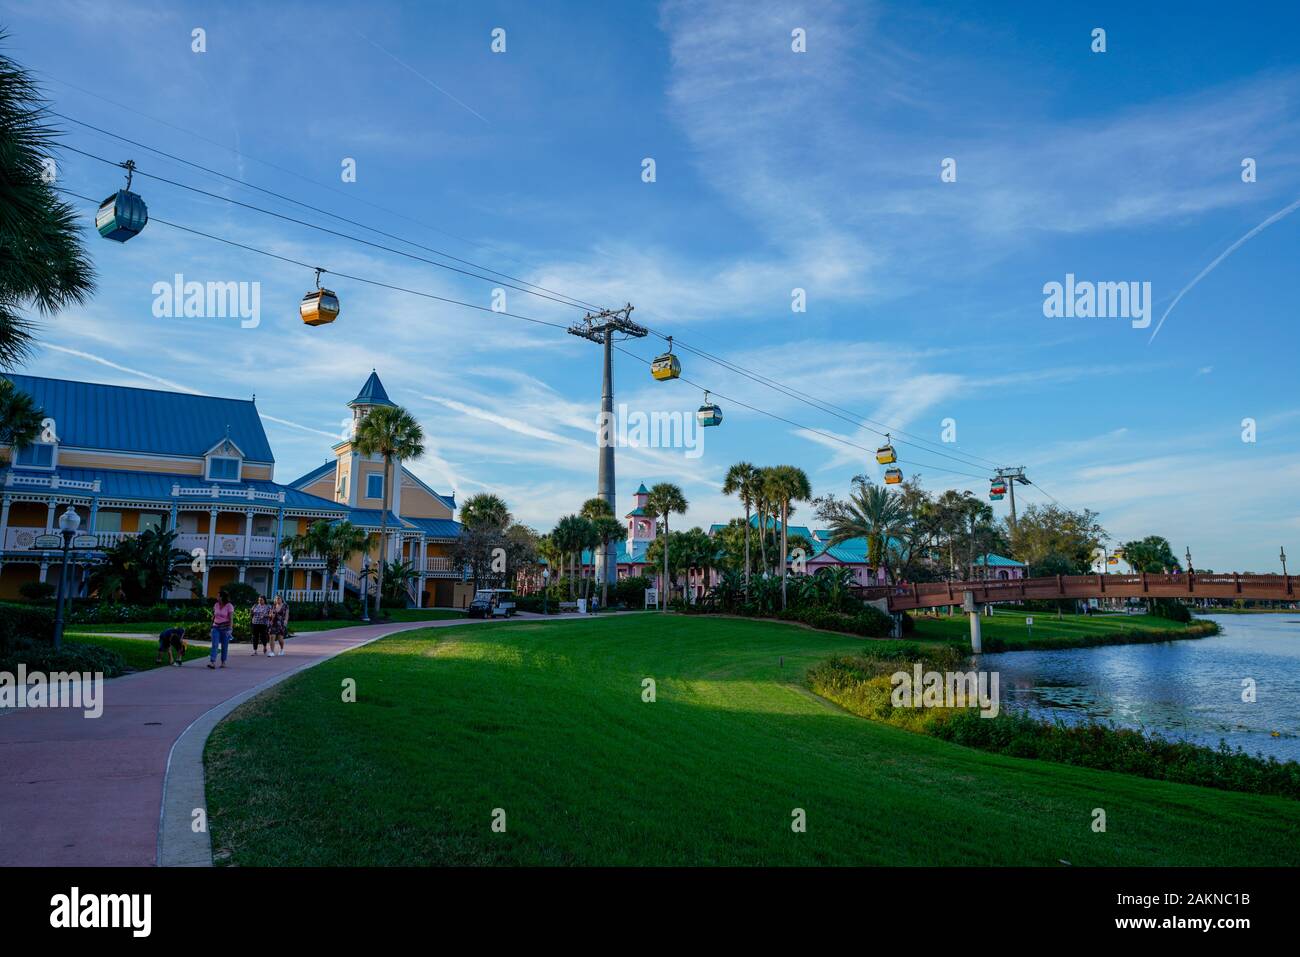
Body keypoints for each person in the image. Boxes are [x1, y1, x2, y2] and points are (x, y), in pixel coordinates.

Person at [207, 589, 235, 669]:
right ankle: (212, 662)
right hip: (215, 627)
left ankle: (223, 662)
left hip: (225, 628)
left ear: (222, 597)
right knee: (214, 645)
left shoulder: (229, 606)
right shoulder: (216, 605)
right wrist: (211, 627)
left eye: (218, 596)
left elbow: (231, 618)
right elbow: (213, 616)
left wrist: (230, 629)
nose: (217, 597)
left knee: (224, 646)